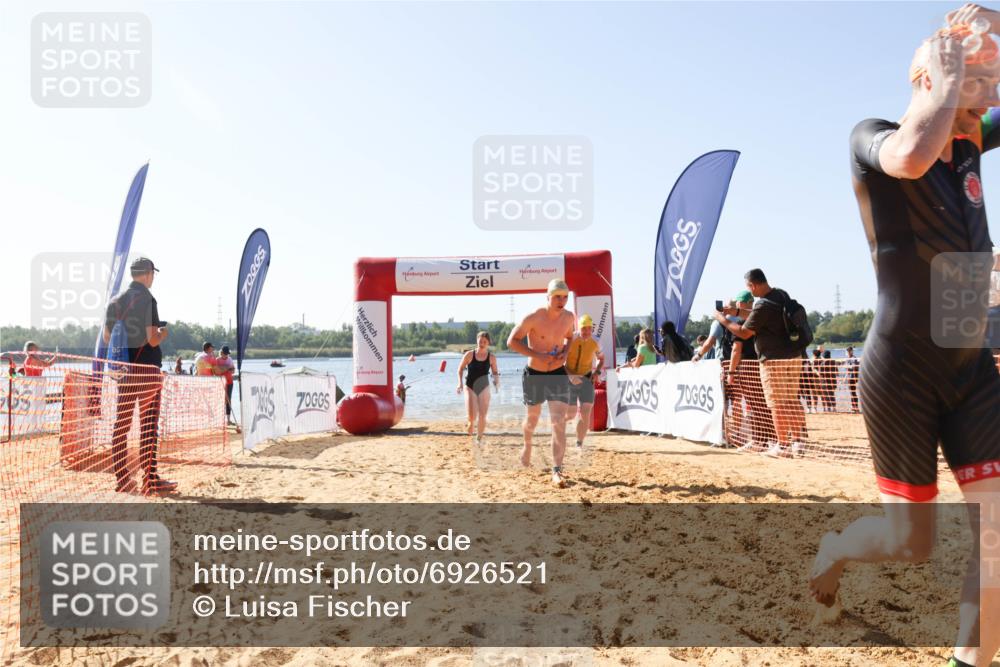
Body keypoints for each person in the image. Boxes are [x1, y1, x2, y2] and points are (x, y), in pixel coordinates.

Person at [811, 9, 1000, 666]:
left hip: (972, 368)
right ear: (931, 75)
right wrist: (947, 77)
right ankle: (836, 547)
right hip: (903, 368)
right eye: (981, 76)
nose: (991, 93)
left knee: (997, 533)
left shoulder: (972, 143)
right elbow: (914, 156)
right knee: (911, 541)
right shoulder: (874, 136)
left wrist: (986, 27)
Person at [714, 268, 807, 458]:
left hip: (773, 359)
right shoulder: (780, 294)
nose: (751, 293)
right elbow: (760, 314)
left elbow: (744, 332)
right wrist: (738, 311)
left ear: (753, 285)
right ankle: (798, 442)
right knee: (791, 400)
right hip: (794, 355)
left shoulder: (762, 305)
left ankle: (783, 446)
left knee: (776, 403)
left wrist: (723, 319)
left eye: (750, 288)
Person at [103, 257, 177, 496]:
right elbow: (151, 338)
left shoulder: (114, 302)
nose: (153, 278)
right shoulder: (146, 298)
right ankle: (150, 479)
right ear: (147, 274)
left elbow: (106, 338)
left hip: (124, 372)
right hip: (147, 371)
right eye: (153, 274)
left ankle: (122, 479)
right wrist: (163, 333)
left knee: (121, 425)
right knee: (148, 426)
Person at [507, 279, 575, 488]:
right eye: (557, 297)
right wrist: (537, 354)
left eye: (565, 297)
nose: (561, 301)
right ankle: (527, 445)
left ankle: (557, 470)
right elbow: (512, 342)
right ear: (548, 297)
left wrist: (565, 352)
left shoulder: (569, 317)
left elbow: (570, 337)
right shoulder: (534, 317)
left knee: (558, 421)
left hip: (556, 373)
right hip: (534, 374)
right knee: (532, 420)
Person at [564, 314, 605, 449]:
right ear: (579, 328)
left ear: (592, 329)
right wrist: (570, 376)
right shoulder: (571, 339)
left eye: (589, 329)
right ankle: (558, 428)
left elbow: (601, 359)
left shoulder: (596, 341)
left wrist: (597, 372)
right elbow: (560, 361)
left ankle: (579, 443)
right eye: (583, 329)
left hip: (587, 378)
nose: (586, 332)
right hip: (569, 378)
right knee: (570, 414)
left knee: (586, 411)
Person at [456, 331, 499, 442]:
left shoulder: (492, 357)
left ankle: (479, 438)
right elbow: (460, 369)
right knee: (472, 416)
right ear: (477, 341)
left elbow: (495, 372)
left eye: (485, 341)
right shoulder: (469, 355)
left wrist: (496, 381)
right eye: (480, 341)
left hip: (484, 387)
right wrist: (459, 383)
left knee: (483, 415)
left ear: (488, 343)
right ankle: (470, 423)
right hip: (470, 386)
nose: (482, 343)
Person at [217, 346, 237, 427]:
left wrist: (225, 369)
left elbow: (233, 371)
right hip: (221, 382)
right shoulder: (217, 360)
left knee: (229, 400)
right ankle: (221, 420)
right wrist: (227, 368)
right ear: (221, 353)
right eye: (225, 354)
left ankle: (228, 420)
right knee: (221, 400)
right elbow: (217, 371)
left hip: (229, 382)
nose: (227, 355)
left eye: (227, 354)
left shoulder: (230, 359)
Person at [842, 345, 861, 413]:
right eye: (846, 351)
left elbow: (854, 367)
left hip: (853, 377)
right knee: (852, 392)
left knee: (853, 392)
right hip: (850, 377)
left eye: (847, 351)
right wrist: (845, 378)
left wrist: (848, 367)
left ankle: (855, 407)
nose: (846, 353)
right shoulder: (848, 358)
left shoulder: (853, 358)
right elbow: (847, 369)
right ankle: (854, 407)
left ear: (850, 351)